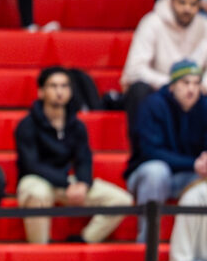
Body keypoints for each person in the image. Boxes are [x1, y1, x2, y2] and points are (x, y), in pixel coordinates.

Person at [15, 66, 131, 244]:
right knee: (37, 194)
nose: (59, 91)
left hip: (65, 182)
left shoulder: (77, 125)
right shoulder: (27, 125)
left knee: (122, 200)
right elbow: (31, 164)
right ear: (41, 92)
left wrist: (83, 183)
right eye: (53, 86)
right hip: (36, 180)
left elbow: (84, 158)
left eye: (64, 86)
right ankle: (39, 249)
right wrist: (65, 183)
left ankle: (82, 240)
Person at [120, 0, 207, 148]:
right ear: (171, 1)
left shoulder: (204, 26)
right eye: (182, 3)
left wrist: (197, 86)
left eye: (193, 4)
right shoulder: (151, 23)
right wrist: (174, 85)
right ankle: (142, 153)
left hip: (195, 90)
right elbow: (134, 69)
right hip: (159, 91)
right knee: (138, 90)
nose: (187, 9)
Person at [127, 59, 207, 242]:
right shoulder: (152, 105)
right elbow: (150, 152)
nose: (191, 89)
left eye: (196, 83)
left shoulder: (204, 106)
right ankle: (147, 243)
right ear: (172, 85)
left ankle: (199, 247)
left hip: (188, 175)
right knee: (157, 171)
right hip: (145, 176)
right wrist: (194, 163)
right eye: (185, 83)